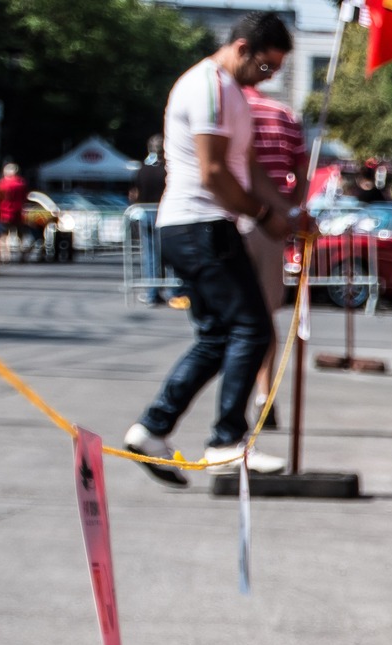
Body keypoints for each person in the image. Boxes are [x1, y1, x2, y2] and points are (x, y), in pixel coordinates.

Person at [123, 12, 301, 485]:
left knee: (220, 335)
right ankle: (225, 441)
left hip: (204, 225)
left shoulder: (232, 93)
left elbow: (248, 168)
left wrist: (288, 212)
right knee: (252, 328)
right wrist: (266, 218)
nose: (270, 77)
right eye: (266, 66)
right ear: (241, 48)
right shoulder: (208, 87)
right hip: (198, 223)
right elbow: (214, 173)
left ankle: (153, 429)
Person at [242, 81, 305, 429]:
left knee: (233, 318)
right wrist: (290, 211)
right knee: (263, 315)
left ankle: (237, 402)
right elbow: (303, 167)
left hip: (232, 216)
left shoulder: (229, 107)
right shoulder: (284, 114)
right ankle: (263, 393)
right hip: (271, 226)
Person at [130, 135, 169, 305]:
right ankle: (175, 291)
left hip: (146, 213)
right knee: (168, 254)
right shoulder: (167, 169)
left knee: (150, 255)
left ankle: (152, 293)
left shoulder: (142, 170)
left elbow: (134, 193)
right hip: (165, 213)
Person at [0, 162, 29, 261]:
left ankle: (6, 254)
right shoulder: (21, 183)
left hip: (4, 212)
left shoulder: (1, 184)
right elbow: (25, 198)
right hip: (18, 212)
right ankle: (21, 253)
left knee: (4, 235)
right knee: (20, 234)